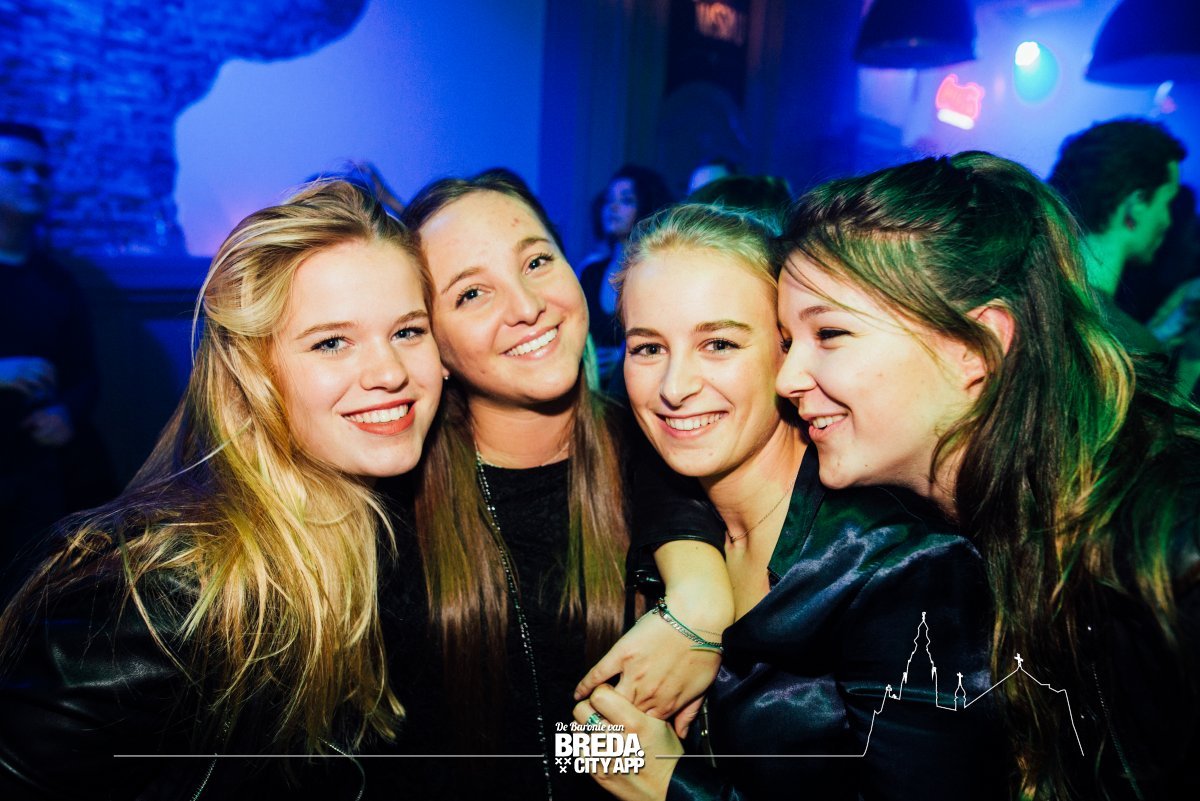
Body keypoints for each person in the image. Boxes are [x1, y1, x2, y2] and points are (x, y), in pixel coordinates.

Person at [0, 180, 445, 798]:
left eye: (408, 331)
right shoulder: (165, 594)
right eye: (331, 342)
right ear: (254, 373)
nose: (390, 372)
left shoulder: (400, 531)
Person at [775, 151, 1200, 799]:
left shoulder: (1166, 546)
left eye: (829, 333)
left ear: (976, 349)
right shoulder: (989, 519)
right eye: (786, 341)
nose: (787, 378)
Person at [575, 203, 1005, 801]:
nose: (674, 388)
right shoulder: (653, 520)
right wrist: (592, 746)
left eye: (718, 343)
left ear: (788, 353)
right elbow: (584, 747)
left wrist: (670, 785)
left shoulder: (901, 566)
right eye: (648, 348)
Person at [396, 170, 725, 801]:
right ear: (431, 343)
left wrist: (701, 608)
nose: (526, 307)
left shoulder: (673, 454)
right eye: (472, 294)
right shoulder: (392, 508)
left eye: (537, 261)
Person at [0, 121, 106, 597]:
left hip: (46, 469)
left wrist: (66, 413)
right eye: (14, 167)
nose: (33, 180)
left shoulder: (58, 279)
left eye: (41, 170)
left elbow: (85, 373)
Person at [1048, 118, 1186, 357]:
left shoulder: (1017, 292)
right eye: (1166, 203)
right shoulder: (1133, 347)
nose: (1168, 221)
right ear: (1136, 205)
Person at [579, 165, 673, 388]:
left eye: (626, 200)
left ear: (647, 207)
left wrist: (624, 358)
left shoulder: (659, 273)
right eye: (609, 199)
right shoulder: (591, 272)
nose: (612, 207)